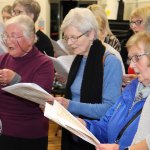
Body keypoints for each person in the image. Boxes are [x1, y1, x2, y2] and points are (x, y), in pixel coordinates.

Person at [48, 7, 123, 150]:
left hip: (94, 138)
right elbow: (76, 94)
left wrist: (69, 105)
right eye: (66, 37)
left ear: (91, 34)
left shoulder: (110, 62)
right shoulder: (80, 59)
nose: (69, 43)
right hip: (73, 133)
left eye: (74, 37)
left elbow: (109, 109)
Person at [78, 31, 150, 150]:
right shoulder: (132, 87)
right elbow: (106, 124)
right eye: (130, 59)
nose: (131, 66)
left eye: (137, 57)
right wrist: (85, 125)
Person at [0, 15, 54, 150]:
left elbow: (39, 100)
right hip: (2, 130)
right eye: (6, 36)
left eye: (14, 36)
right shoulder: (2, 59)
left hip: (28, 136)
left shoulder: (44, 64)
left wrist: (15, 80)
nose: (8, 41)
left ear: (30, 38)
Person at [122, 5, 150, 85]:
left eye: (138, 22)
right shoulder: (131, 45)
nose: (133, 26)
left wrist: (139, 79)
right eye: (132, 23)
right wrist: (137, 79)